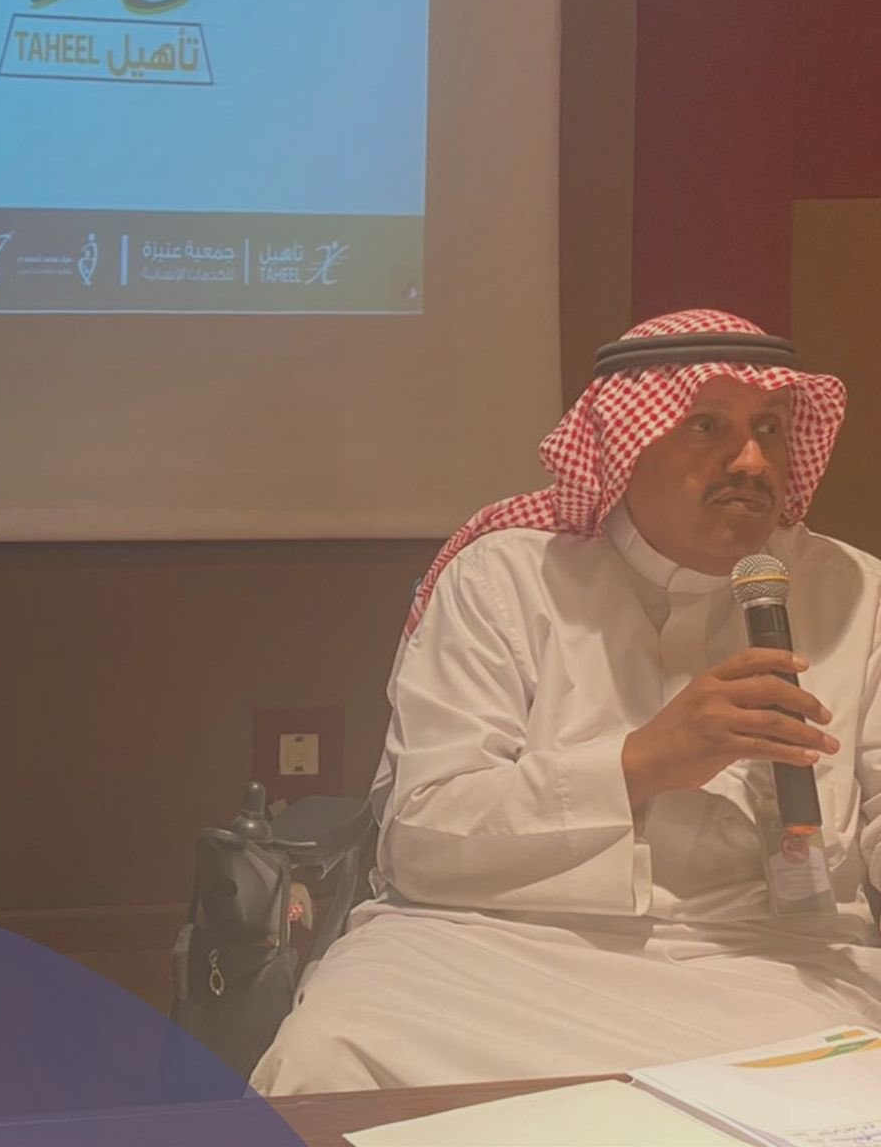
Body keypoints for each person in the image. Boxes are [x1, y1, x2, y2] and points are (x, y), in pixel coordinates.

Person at [253, 310, 881, 1092]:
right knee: (330, 1053)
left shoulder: (856, 592)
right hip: (494, 952)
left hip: (773, 966)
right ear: (624, 443)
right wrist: (640, 763)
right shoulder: (504, 580)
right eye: (708, 425)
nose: (751, 460)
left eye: (771, 429)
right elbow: (419, 838)